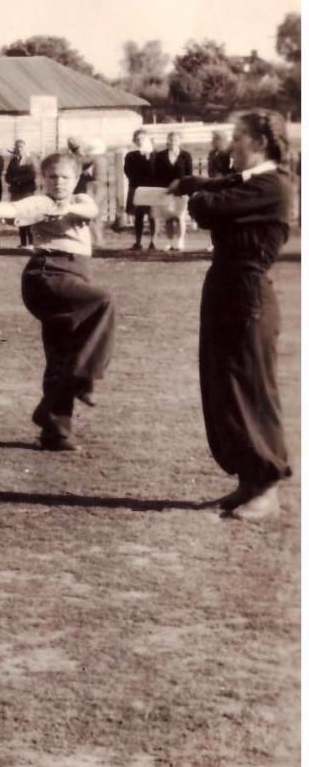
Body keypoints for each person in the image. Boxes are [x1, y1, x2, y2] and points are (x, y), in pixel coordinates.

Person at [169, 111, 295, 519]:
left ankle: (267, 484)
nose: (230, 145)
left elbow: (207, 206)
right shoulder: (252, 181)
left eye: (238, 138)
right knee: (224, 386)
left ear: (259, 143)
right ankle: (247, 481)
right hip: (224, 288)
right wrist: (200, 185)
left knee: (252, 388)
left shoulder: (274, 185)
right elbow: (214, 192)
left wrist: (196, 188)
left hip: (248, 294)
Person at [0, 152, 113, 451]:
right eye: (52, 177)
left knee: (60, 354)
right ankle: (83, 378)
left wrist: (65, 209)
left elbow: (89, 209)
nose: (58, 182)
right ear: (43, 179)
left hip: (76, 275)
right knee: (103, 301)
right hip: (47, 276)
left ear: (76, 179)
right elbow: (12, 207)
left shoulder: (81, 199)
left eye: (65, 177)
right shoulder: (40, 202)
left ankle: (55, 429)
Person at [123, 130, 157, 250]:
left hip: (152, 188)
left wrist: (149, 157)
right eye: (137, 139)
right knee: (138, 215)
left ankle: (153, 241)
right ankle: (138, 242)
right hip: (137, 188)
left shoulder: (155, 155)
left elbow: (156, 172)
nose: (140, 141)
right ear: (134, 141)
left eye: (142, 138)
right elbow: (128, 172)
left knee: (153, 215)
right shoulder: (131, 156)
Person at [5, 140, 40, 247]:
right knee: (19, 217)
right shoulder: (13, 161)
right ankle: (23, 242)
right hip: (16, 193)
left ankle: (31, 242)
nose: (19, 149)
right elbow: (7, 176)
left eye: (21, 147)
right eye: (17, 147)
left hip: (27, 192)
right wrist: (12, 180)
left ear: (25, 148)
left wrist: (17, 180)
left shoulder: (30, 160)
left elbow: (32, 175)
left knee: (28, 217)